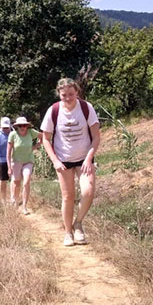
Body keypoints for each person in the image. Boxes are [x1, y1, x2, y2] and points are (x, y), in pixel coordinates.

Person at [40, 78, 100, 246]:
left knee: (88, 191)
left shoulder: (86, 108)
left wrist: (89, 158)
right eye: (64, 95)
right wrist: (55, 161)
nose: (68, 98)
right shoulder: (54, 110)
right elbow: (45, 139)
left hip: (84, 158)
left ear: (77, 92)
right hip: (63, 159)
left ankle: (78, 223)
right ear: (59, 94)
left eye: (71, 94)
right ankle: (68, 233)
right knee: (68, 196)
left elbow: (96, 137)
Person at [7, 116, 41, 215]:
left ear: (27, 126)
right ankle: (15, 201)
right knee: (17, 183)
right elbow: (8, 153)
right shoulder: (13, 135)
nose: (22, 127)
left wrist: (37, 146)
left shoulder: (31, 132)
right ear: (17, 127)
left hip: (28, 161)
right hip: (16, 161)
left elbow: (43, 136)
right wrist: (9, 167)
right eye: (20, 125)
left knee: (26, 182)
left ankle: (24, 207)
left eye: (24, 125)